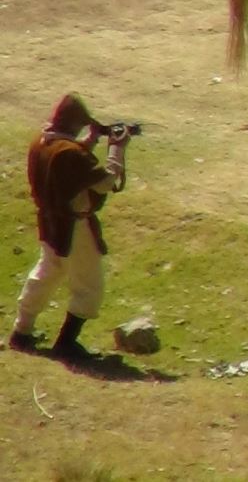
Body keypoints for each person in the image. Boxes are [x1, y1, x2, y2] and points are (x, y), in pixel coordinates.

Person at [9, 94, 131, 362]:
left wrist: (91, 140)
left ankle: (22, 330)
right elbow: (105, 181)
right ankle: (66, 343)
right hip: (75, 225)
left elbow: (69, 164)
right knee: (89, 284)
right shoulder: (69, 153)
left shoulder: (41, 142)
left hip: (51, 221)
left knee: (46, 273)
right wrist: (117, 148)